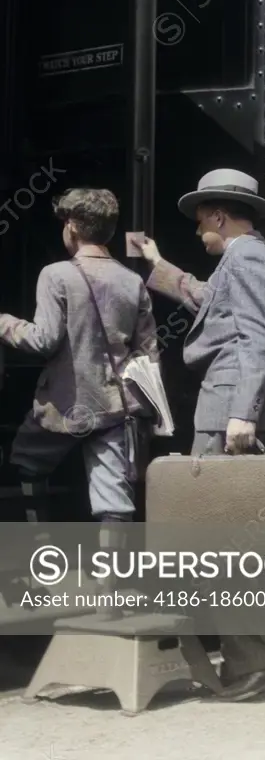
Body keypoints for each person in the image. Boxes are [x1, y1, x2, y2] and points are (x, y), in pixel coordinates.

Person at [139, 168, 265, 701]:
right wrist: (158, 267)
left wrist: (242, 414)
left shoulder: (246, 258)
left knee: (219, 543)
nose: (198, 231)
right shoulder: (251, 257)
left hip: (230, 409)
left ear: (220, 216)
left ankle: (262, 656)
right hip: (232, 405)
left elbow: (257, 335)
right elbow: (217, 306)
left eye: (202, 221)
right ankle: (256, 654)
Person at [1, 188, 157, 526]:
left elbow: (43, 341)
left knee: (27, 461)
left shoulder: (55, 274)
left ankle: (40, 556)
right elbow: (148, 353)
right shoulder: (132, 282)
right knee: (113, 498)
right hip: (117, 407)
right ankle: (110, 579)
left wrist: (5, 323)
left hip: (65, 403)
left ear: (71, 226)